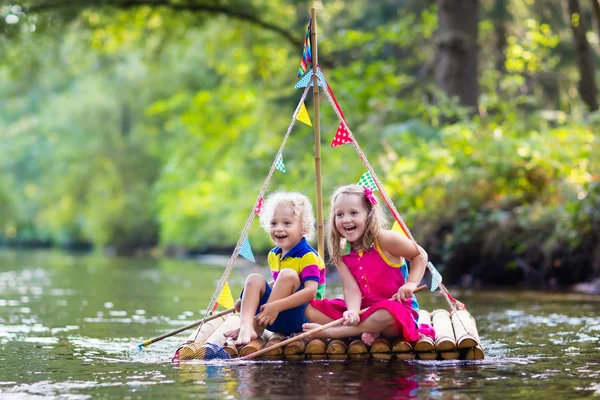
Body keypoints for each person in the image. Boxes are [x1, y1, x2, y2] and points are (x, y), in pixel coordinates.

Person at [302, 184, 434, 345]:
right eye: (340, 214)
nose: (346, 219)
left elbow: (420, 255)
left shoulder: (385, 239)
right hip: (365, 311)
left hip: (395, 313)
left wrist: (411, 284)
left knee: (386, 313)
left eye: (353, 213)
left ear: (369, 214)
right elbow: (351, 288)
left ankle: (335, 332)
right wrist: (353, 311)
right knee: (311, 308)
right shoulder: (343, 251)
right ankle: (366, 329)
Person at [226, 191, 326, 345]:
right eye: (274, 223)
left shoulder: (308, 256)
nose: (279, 228)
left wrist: (275, 306)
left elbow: (310, 291)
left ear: (303, 227)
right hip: (273, 316)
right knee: (254, 278)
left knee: (288, 275)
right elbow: (277, 285)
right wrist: (247, 299)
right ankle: (246, 326)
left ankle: (257, 324)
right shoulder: (274, 255)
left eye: (287, 223)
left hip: (302, 316)